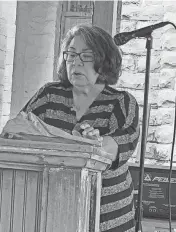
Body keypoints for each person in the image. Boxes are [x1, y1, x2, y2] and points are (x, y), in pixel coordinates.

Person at [3, 24, 140, 231]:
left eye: (86, 55)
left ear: (104, 60)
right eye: (71, 54)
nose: (76, 62)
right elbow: (15, 131)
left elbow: (121, 146)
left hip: (108, 215)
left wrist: (92, 143)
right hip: (53, 209)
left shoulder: (121, 102)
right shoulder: (48, 95)